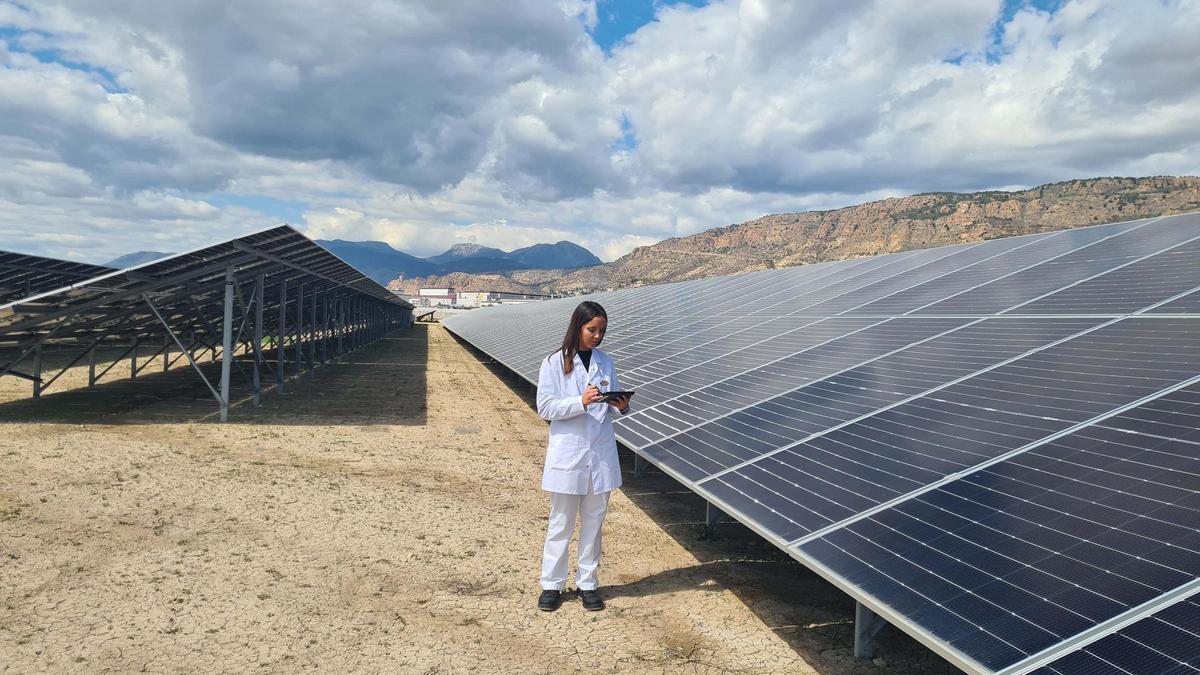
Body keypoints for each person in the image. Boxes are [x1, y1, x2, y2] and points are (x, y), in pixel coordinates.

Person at [535, 301, 632, 612]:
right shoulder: (553, 363)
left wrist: (621, 404)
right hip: (569, 454)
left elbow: (609, 400)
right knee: (561, 523)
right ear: (578, 327)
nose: (598, 336)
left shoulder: (606, 362)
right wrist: (581, 401)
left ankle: (588, 583)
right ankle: (552, 584)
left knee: (594, 523)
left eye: (602, 331)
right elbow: (546, 408)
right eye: (592, 330)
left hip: (600, 454)